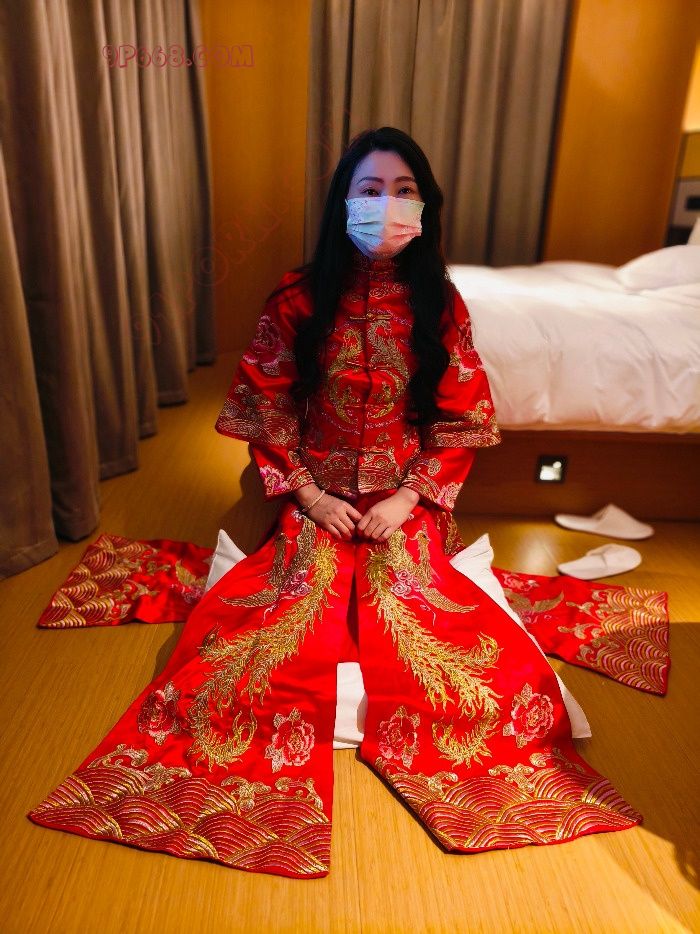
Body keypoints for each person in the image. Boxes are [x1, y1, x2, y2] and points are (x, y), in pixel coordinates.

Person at [27, 127, 660, 880]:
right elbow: (266, 407)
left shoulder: (441, 302)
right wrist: (308, 494)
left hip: (403, 498)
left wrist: (410, 499)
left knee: (423, 621)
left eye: (403, 191)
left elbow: (458, 418)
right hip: (315, 492)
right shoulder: (298, 297)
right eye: (370, 190)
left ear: (424, 206)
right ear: (343, 202)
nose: (386, 205)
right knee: (279, 617)